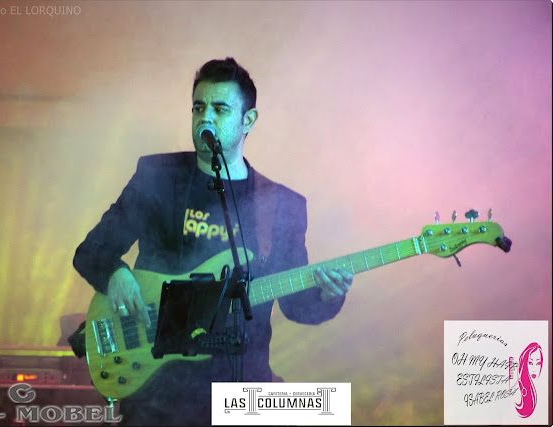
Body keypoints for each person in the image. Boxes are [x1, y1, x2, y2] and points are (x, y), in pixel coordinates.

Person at [73, 57, 353, 425]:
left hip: (241, 392)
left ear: (247, 120)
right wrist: (115, 275)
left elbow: (297, 307)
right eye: (198, 107)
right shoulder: (159, 176)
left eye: (220, 109)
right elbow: (91, 252)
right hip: (158, 390)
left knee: (323, 411)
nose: (205, 117)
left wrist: (330, 294)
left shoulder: (280, 206)